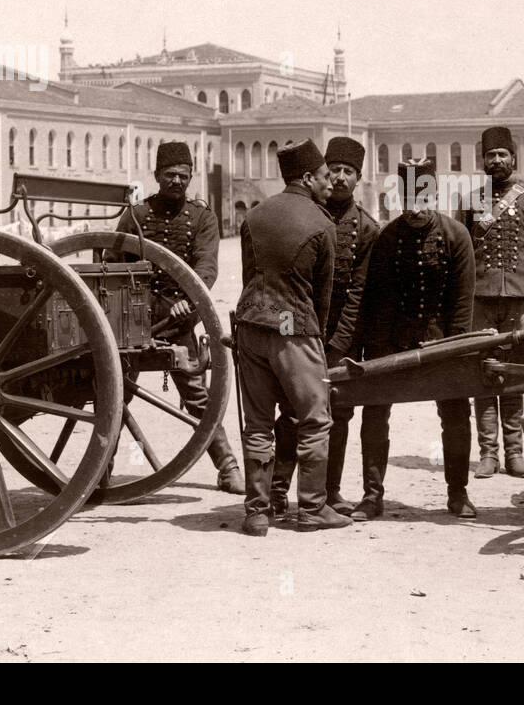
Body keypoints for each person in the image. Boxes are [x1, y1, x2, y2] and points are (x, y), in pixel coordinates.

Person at [234, 138, 351, 535]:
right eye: (323, 176)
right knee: (316, 420)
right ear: (306, 177)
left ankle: (256, 512)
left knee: (257, 424)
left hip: (250, 326)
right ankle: (312, 509)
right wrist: (312, 339)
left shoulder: (255, 216)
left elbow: (250, 275)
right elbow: (324, 293)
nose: (329, 181)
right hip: (293, 329)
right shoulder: (322, 223)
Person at [113, 141, 244, 494]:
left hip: (179, 320)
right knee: (115, 394)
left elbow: (207, 265)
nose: (176, 181)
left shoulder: (202, 217)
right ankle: (101, 469)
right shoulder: (136, 215)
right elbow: (112, 263)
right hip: (133, 319)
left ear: (191, 177)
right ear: (156, 175)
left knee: (198, 395)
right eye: (169, 175)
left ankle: (228, 467)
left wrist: (188, 300)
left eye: (183, 176)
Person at [351, 156, 477, 519]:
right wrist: (378, 357)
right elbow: (379, 302)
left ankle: (458, 493)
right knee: (375, 413)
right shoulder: (387, 238)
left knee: (455, 414)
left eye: (423, 200)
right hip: (394, 344)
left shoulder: (456, 236)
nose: (416, 210)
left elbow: (461, 304)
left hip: (443, 344)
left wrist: (457, 351)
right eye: (408, 201)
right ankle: (372, 496)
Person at [270, 136, 383, 517]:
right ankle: (277, 491)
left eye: (347, 172)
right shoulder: (303, 215)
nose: (338, 178)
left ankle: (329, 491)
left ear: (359, 179)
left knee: (338, 414)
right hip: (301, 328)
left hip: (341, 337)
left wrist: (338, 342)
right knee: (291, 410)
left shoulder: (367, 229)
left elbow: (360, 292)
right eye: (332, 170)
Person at [461, 126, 524, 479]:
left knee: (512, 374)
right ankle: (488, 454)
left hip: (517, 299)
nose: (496, 161)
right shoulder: (470, 202)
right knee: (484, 374)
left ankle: (515, 453)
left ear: (513, 159)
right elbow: (462, 252)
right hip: (480, 300)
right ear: (482, 161)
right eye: (490, 155)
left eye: (502, 155)